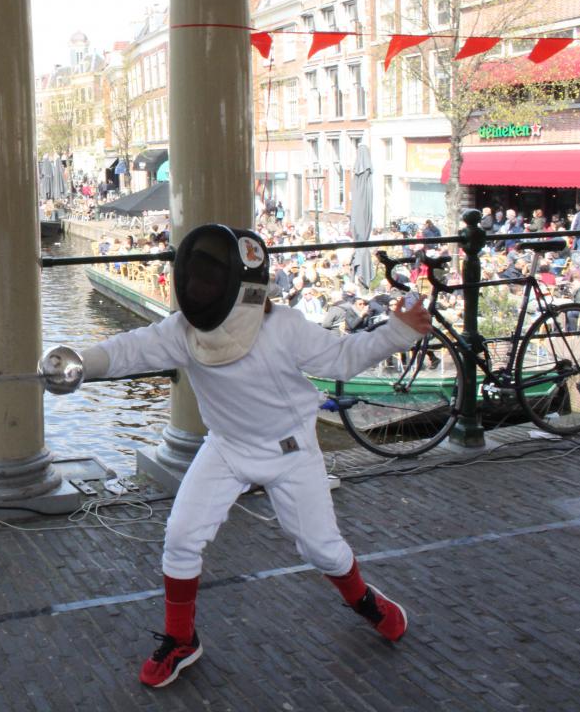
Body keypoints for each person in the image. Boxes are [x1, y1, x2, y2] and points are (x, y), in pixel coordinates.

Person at [39, 224, 431, 689]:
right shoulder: (184, 332)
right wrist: (79, 364)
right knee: (181, 537)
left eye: (210, 280)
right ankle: (181, 639)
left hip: (290, 451)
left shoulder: (284, 328)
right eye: (198, 279)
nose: (201, 288)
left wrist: (397, 333)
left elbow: (343, 358)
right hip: (226, 446)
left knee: (321, 550)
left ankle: (363, 599)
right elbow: (129, 350)